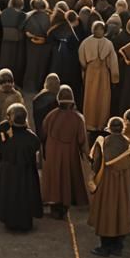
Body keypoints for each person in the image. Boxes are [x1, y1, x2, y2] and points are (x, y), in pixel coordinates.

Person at [40, 85, 88, 220]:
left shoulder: (50, 116)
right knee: (67, 178)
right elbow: (81, 139)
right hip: (69, 154)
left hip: (52, 153)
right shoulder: (78, 118)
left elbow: (43, 134)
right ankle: (64, 206)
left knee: (54, 179)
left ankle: (54, 206)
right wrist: (87, 154)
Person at [88, 118, 130, 257]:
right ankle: (117, 246)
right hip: (122, 185)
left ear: (109, 128)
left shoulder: (104, 144)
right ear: (122, 128)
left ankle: (105, 247)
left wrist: (92, 177)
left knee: (106, 213)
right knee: (121, 211)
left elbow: (96, 164)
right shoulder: (128, 144)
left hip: (107, 184)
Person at [0, 104, 43, 232]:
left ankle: (9, 220)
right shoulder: (32, 138)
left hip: (8, 170)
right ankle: (24, 222)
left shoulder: (3, 129)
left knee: (9, 194)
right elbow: (37, 159)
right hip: (27, 172)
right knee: (24, 195)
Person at [78, 21, 119, 136]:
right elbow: (114, 62)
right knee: (97, 98)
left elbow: (82, 58)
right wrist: (115, 78)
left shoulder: (86, 43)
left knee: (97, 98)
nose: (99, 31)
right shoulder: (108, 44)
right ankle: (94, 123)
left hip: (96, 73)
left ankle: (97, 124)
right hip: (100, 74)